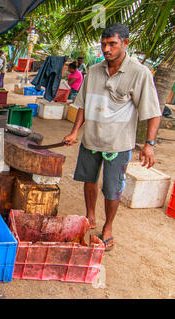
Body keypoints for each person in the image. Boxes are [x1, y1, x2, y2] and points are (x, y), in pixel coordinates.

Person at [62, 24, 162, 251]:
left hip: (118, 144)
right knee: (89, 180)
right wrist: (75, 131)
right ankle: (90, 216)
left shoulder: (140, 73)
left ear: (125, 43)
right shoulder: (94, 71)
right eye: (104, 44)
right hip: (91, 139)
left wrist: (149, 144)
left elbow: (153, 113)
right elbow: (83, 106)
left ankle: (108, 226)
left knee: (112, 188)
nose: (106, 49)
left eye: (112, 44)